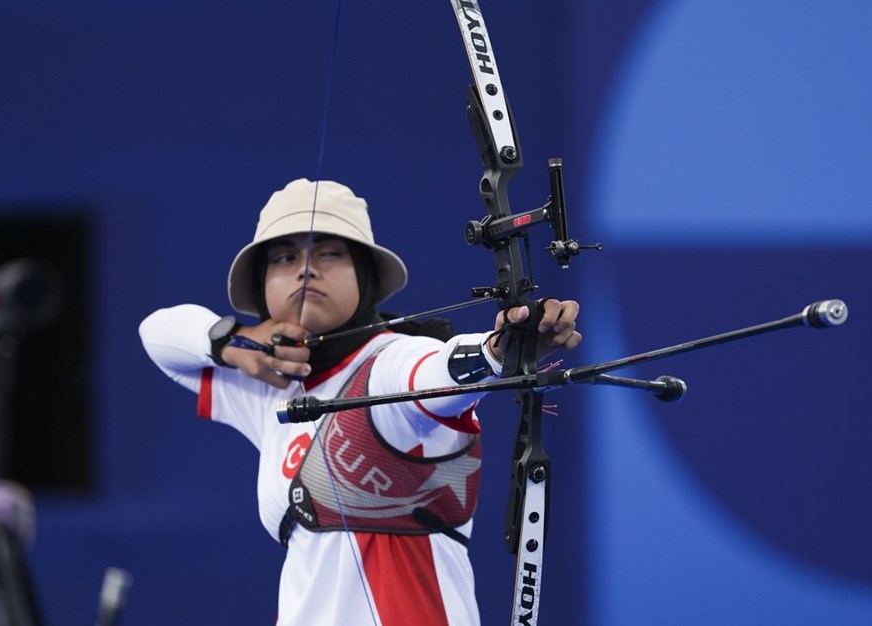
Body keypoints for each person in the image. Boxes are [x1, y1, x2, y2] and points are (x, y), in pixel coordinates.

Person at [139, 179, 581, 625]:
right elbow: (156, 334)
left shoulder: (390, 362)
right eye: (284, 257)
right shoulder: (272, 385)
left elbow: (436, 369)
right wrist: (231, 343)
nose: (305, 269)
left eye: (330, 253)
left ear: (364, 275)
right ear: (262, 283)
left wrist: (500, 348)